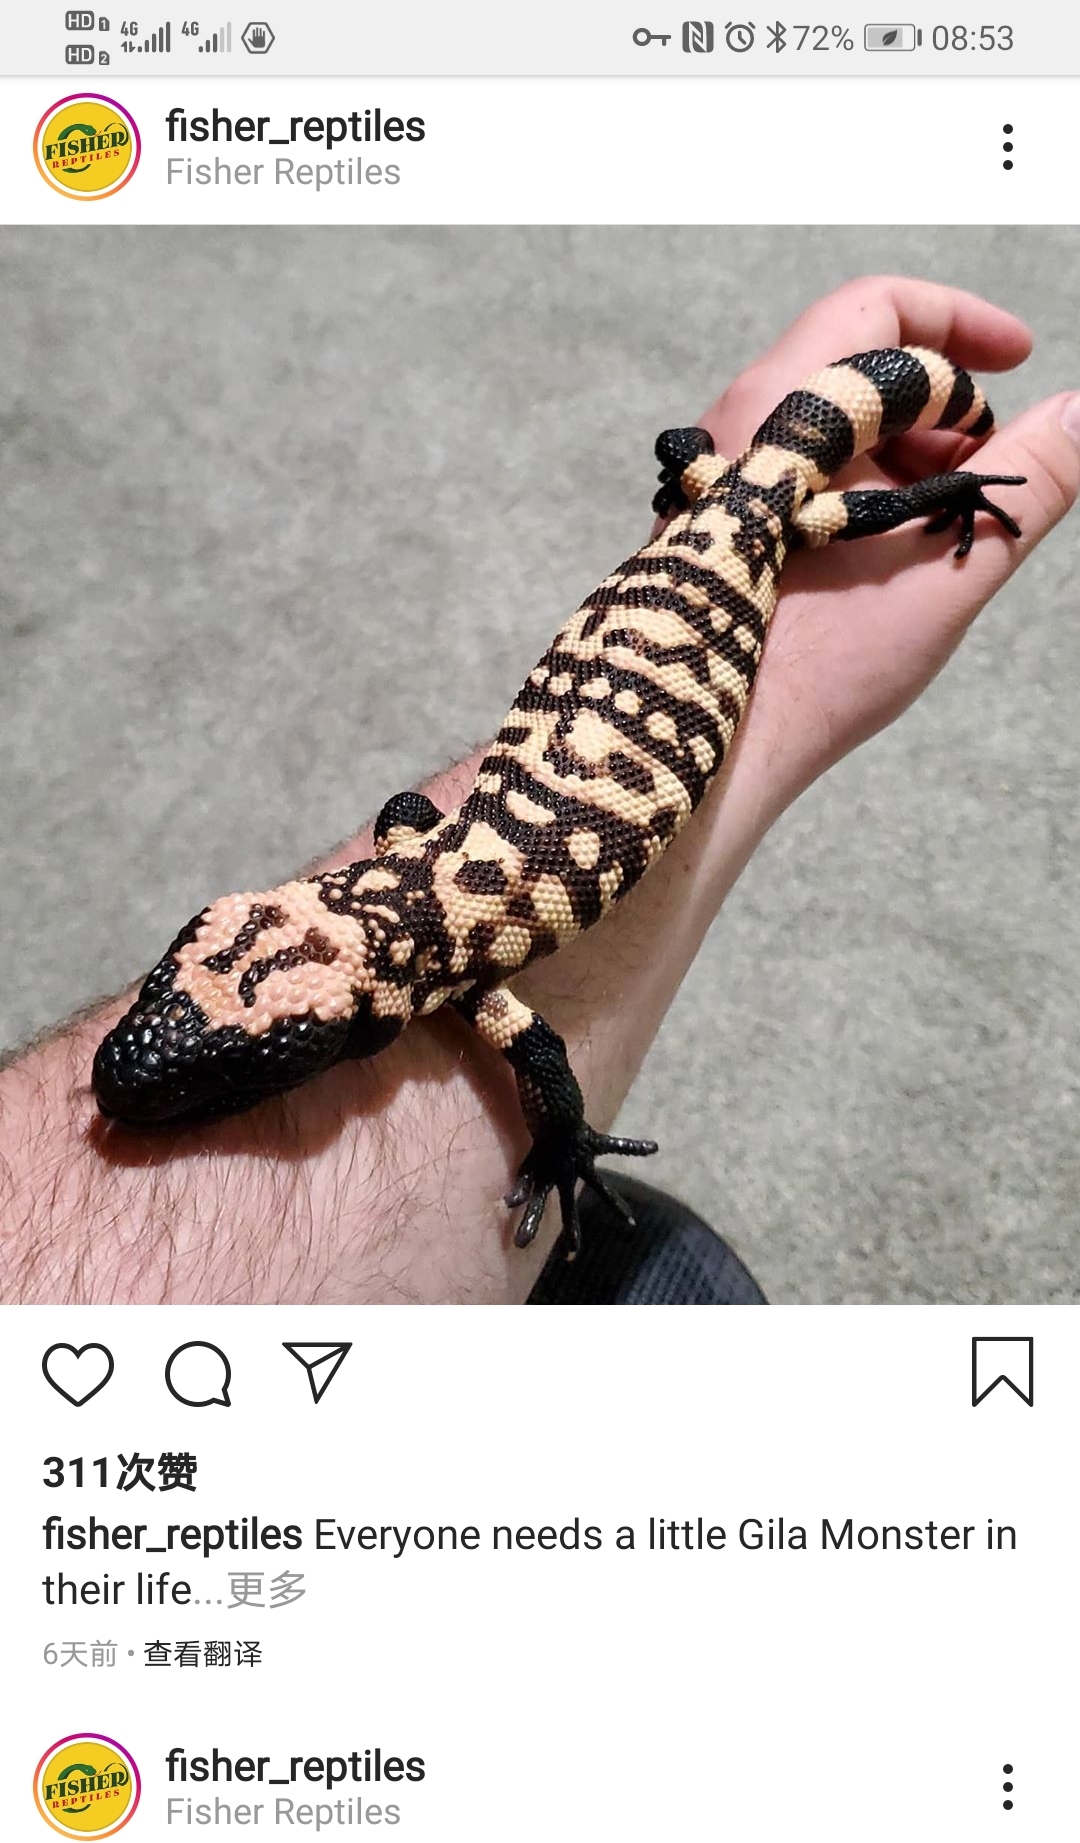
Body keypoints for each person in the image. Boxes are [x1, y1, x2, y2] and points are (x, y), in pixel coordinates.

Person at [2, 274, 1077, 1305]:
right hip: (716, 508)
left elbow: (544, 1063)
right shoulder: (422, 882)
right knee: (733, 479)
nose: (146, 1068)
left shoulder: (468, 974)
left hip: (753, 520)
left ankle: (953, 475)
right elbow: (410, 823)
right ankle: (920, 443)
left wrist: (564, 1140)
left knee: (806, 512)